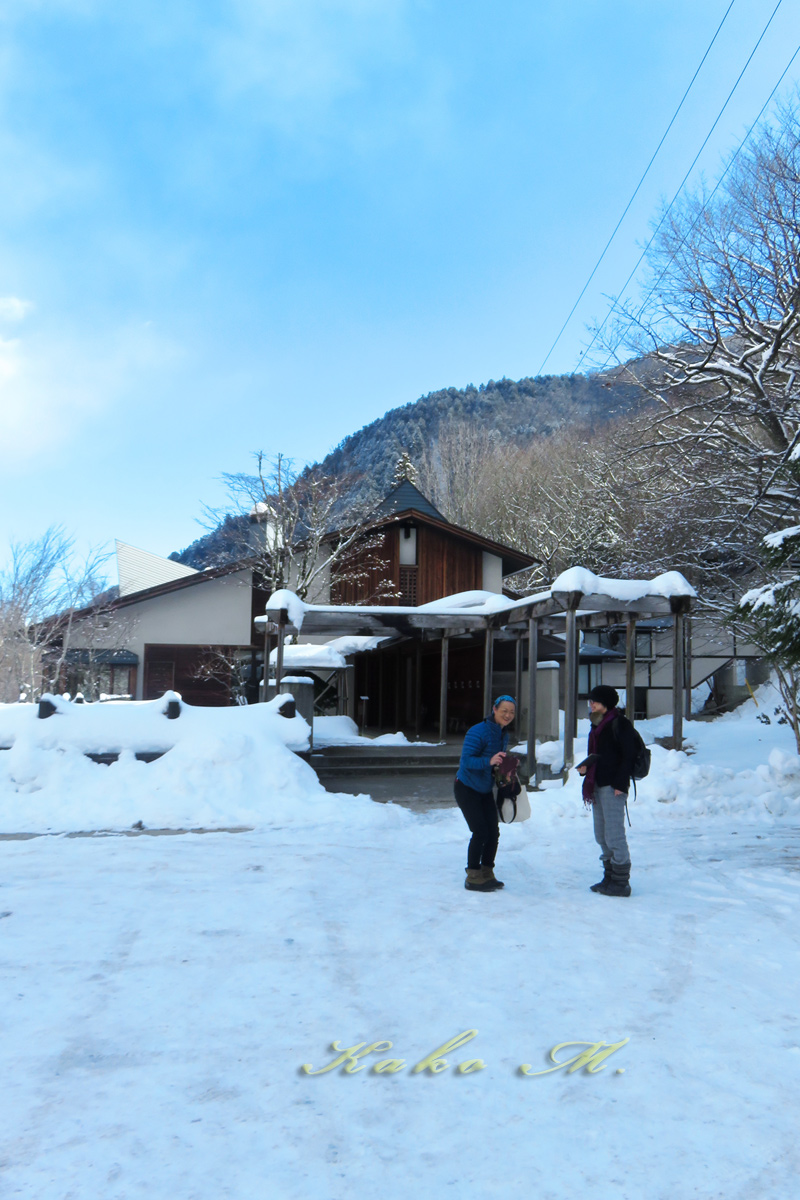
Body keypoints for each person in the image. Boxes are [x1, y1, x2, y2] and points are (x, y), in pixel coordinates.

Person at [577, 685, 637, 897]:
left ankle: (621, 882)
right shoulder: (596, 724)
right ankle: (609, 877)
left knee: (614, 834)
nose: (591, 704)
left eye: (596, 701)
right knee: (601, 834)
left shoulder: (620, 723)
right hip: (597, 784)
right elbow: (597, 755)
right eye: (591, 701)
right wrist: (586, 768)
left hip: (613, 787)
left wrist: (621, 784)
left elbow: (628, 756)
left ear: (607, 704)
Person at [454, 695, 516, 892]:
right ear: (494, 709)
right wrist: (489, 761)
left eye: (512, 712)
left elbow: (496, 763)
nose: (508, 715)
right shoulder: (477, 731)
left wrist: (506, 770)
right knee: (480, 830)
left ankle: (487, 872)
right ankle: (473, 876)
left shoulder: (502, 734)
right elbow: (466, 761)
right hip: (466, 787)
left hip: (485, 788)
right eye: (504, 710)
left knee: (493, 832)